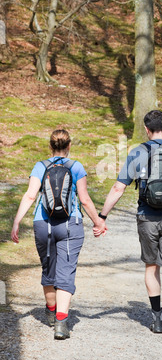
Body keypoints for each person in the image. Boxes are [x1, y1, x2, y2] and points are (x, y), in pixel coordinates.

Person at [94, 110, 162, 338]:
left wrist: (102, 217)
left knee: (151, 266)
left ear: (146, 129)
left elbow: (118, 188)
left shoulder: (138, 152)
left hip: (146, 217)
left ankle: (157, 318)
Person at [11, 129, 106, 340]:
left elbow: (30, 195)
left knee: (48, 268)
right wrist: (98, 221)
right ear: (69, 146)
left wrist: (17, 221)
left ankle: (51, 310)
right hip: (70, 224)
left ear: (50, 147)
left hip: (42, 223)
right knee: (66, 271)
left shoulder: (40, 166)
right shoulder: (76, 166)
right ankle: (61, 325)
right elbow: (85, 200)